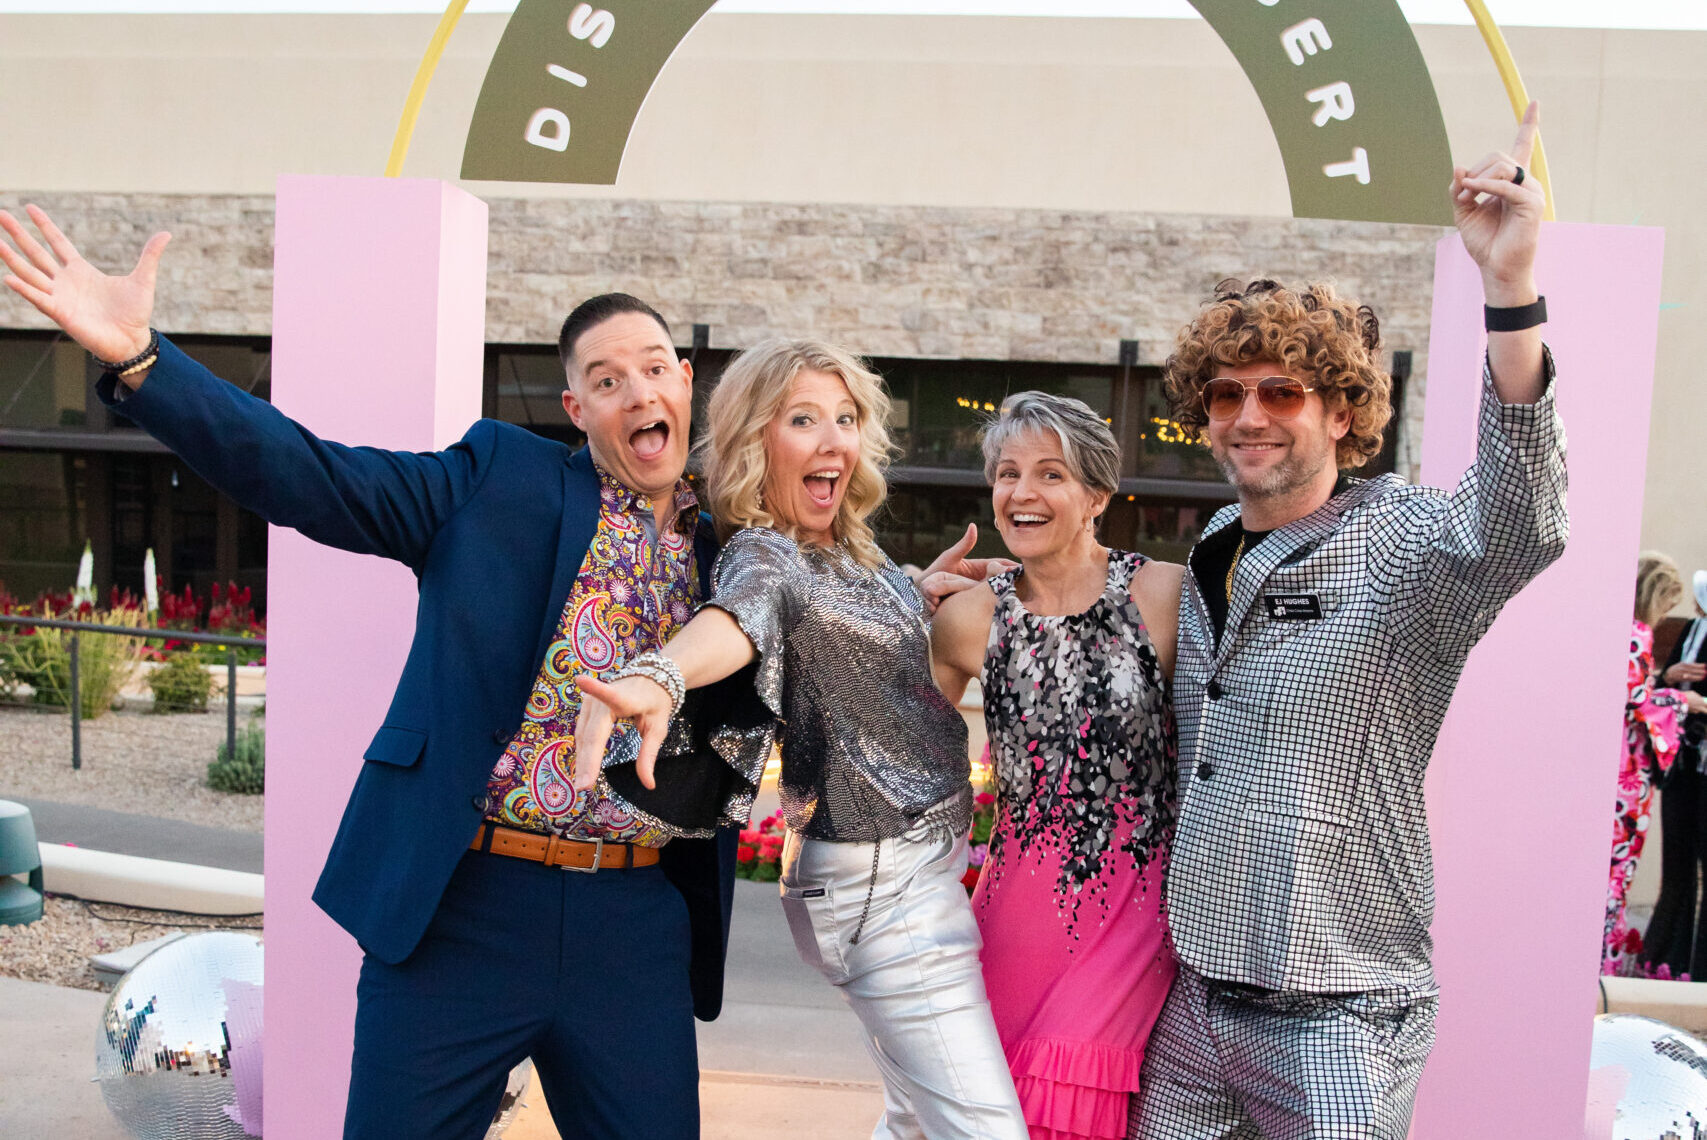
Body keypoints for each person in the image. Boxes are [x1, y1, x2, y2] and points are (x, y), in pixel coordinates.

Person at [0, 206, 994, 1140]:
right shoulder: (495, 481)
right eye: (608, 380)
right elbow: (311, 475)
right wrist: (142, 362)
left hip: (633, 921)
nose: (639, 393)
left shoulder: (734, 540)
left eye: (655, 369)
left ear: (686, 382)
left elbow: (801, 611)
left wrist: (908, 596)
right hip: (465, 906)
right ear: (577, 406)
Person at [1131, 102, 1568, 1140]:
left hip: (1341, 1013)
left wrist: (1509, 290)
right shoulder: (1213, 544)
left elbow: (1521, 522)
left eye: (1281, 392)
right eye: (1226, 395)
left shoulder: (1400, 540)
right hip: (1195, 1000)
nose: (1248, 415)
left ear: (1341, 411)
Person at [572, 338, 1030, 1139]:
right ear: (756, 439)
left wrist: (913, 598)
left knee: (917, 1123)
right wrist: (662, 676)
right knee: (985, 1129)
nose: (833, 441)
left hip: (900, 867)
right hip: (883, 884)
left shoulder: (849, 550)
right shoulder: (767, 554)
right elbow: (738, 619)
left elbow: (849, 652)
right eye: (803, 420)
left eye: (845, 418)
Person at [931, 392, 1183, 1140]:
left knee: (1063, 1089)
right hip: (1012, 906)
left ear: (1096, 496)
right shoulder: (969, 617)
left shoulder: (1165, 594)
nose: (1022, 493)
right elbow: (900, 750)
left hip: (1138, 900)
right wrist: (906, 605)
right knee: (990, 1110)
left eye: (1050, 474)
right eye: (1008, 473)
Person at [1605, 554, 1707, 975]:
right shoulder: (1637, 634)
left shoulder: (1620, 631)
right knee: (1618, 870)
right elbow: (1635, 700)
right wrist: (1683, 699)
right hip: (1631, 775)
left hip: (1629, 770)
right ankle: (1610, 960)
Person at [1643, 569, 1707, 979]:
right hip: (1683, 762)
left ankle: (1699, 971)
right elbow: (1663, 684)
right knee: (1677, 862)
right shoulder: (1693, 629)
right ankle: (1666, 960)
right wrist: (1670, 678)